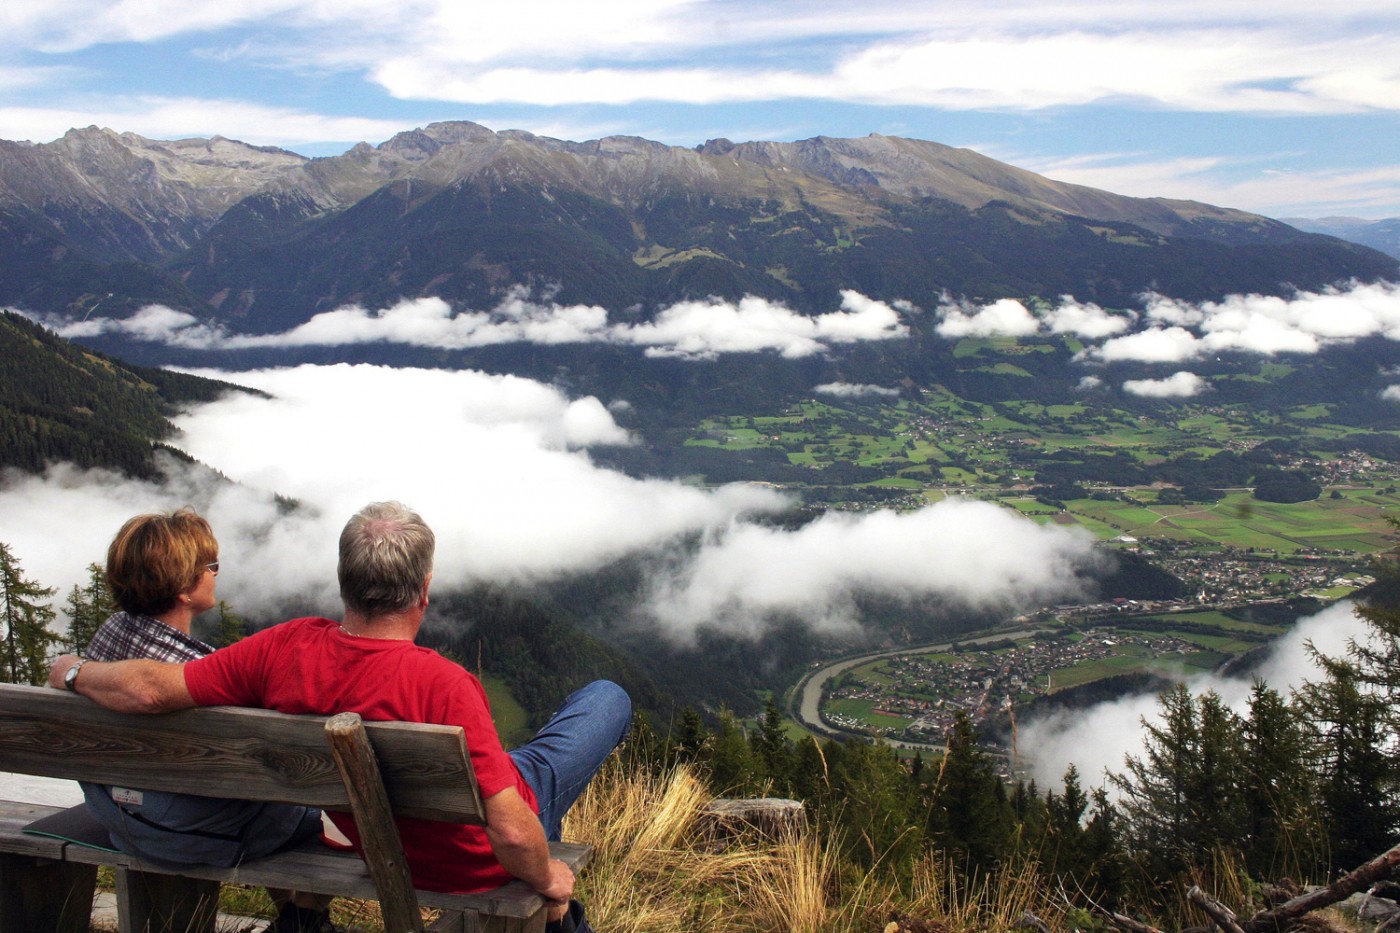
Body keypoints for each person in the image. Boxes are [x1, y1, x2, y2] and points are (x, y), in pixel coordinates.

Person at [51, 501, 630, 931]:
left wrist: (73, 672)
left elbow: (153, 689)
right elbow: (508, 829)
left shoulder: (281, 649)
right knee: (604, 702)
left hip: (376, 842)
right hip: (469, 861)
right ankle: (563, 916)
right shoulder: (448, 685)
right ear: (423, 590)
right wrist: (547, 877)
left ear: (344, 581)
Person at [74, 508, 336, 933]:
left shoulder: (107, 638)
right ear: (183, 589)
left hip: (121, 819)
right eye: (210, 566)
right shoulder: (201, 673)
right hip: (198, 834)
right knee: (327, 808)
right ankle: (304, 917)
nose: (216, 573)